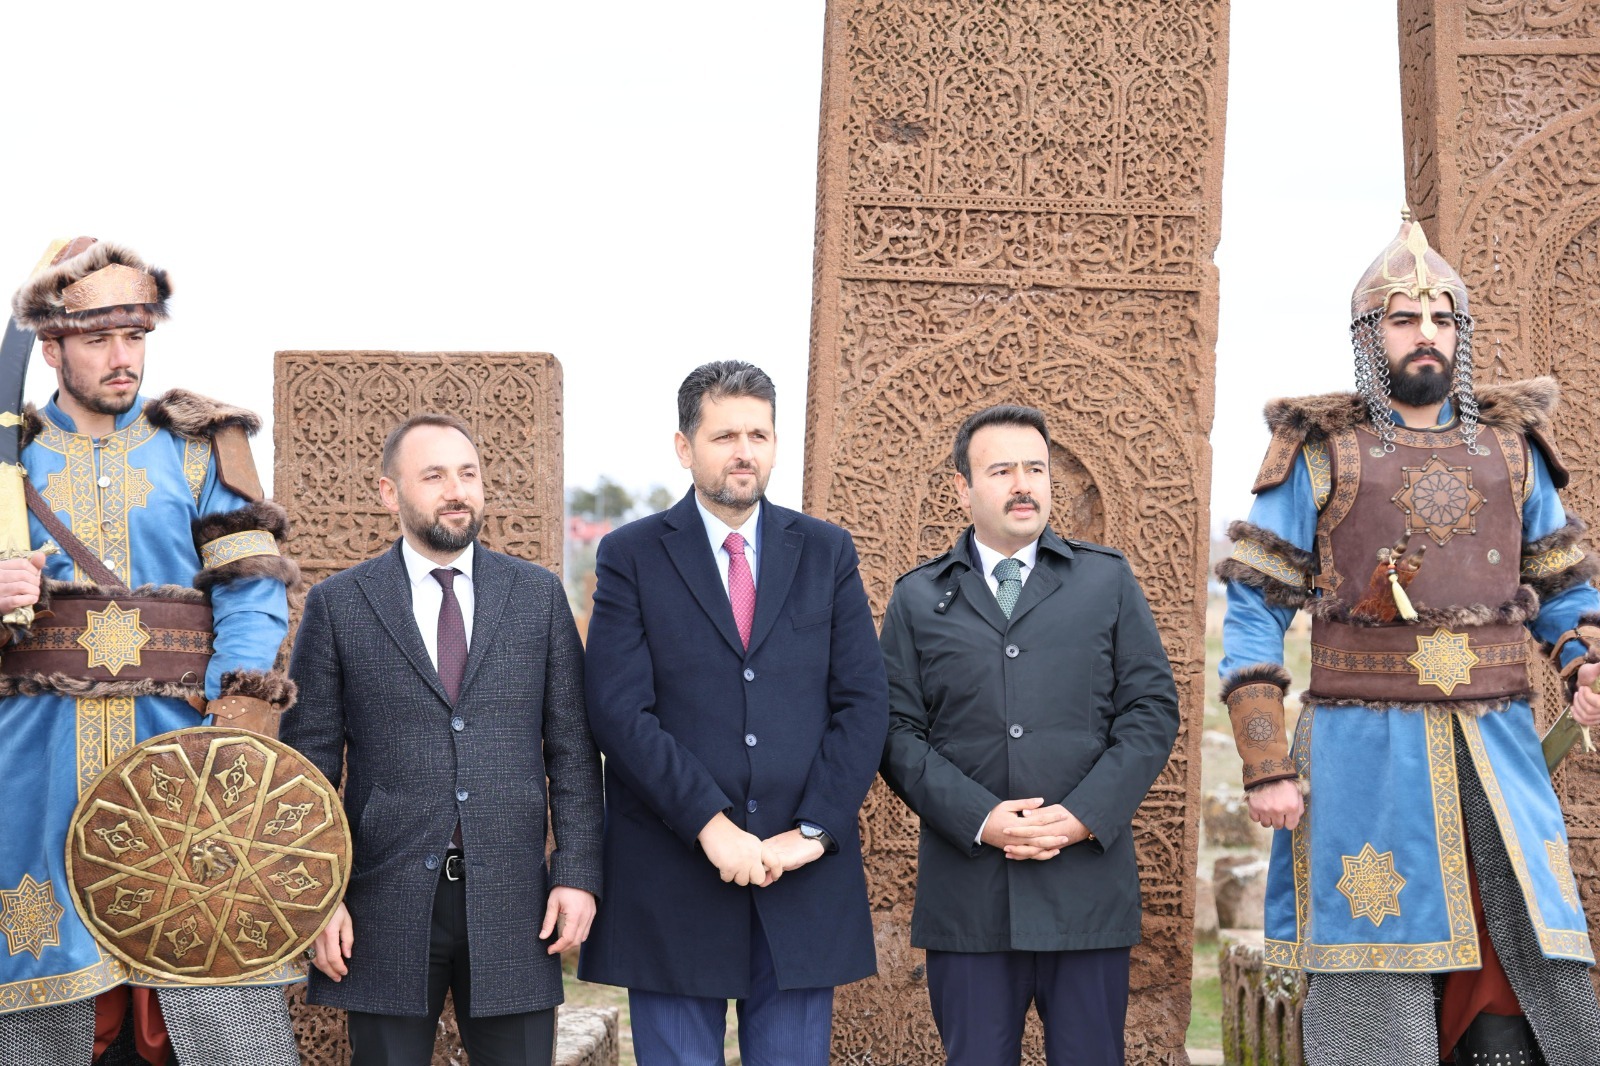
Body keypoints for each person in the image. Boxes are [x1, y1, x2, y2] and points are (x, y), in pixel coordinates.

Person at [1216, 213, 1600, 1065]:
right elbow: (1253, 607)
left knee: (1521, 959)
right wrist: (1266, 761)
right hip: (1363, 754)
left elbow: (1564, 584)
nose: (1425, 333)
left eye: (1441, 317)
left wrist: (1583, 659)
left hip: (1498, 748)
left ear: (1460, 333)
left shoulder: (1512, 451)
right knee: (1374, 972)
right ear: (1369, 334)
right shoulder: (1320, 453)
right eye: (1403, 317)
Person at [0, 238, 303, 1065]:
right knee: (44, 1002)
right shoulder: (7, 461)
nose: (122, 358)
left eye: (134, 336)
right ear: (51, 346)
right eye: (98, 339)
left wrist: (231, 728)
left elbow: (252, 593)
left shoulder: (201, 446)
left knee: (206, 988)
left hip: (180, 760)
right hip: (33, 772)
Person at [578, 360, 888, 1065]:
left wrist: (812, 832)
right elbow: (619, 711)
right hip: (673, 873)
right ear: (685, 447)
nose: (743, 452)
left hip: (799, 877)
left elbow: (864, 702)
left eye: (758, 435)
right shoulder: (631, 555)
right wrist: (710, 826)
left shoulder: (826, 551)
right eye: (724, 436)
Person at [281, 413, 602, 1066]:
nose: (457, 491)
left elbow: (573, 752)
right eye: (433, 476)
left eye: (467, 474)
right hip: (382, 906)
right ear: (389, 492)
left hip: (516, 903)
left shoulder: (537, 598)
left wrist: (576, 875)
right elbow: (306, 770)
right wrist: (317, 897)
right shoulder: (339, 605)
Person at [876, 404, 1179, 1066]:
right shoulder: (918, 598)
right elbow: (894, 733)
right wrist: (981, 818)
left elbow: (1151, 709)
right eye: (1002, 471)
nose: (1024, 486)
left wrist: (1084, 814)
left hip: (1085, 890)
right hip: (969, 897)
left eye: (1036, 469)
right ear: (962, 489)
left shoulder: (1106, 580)